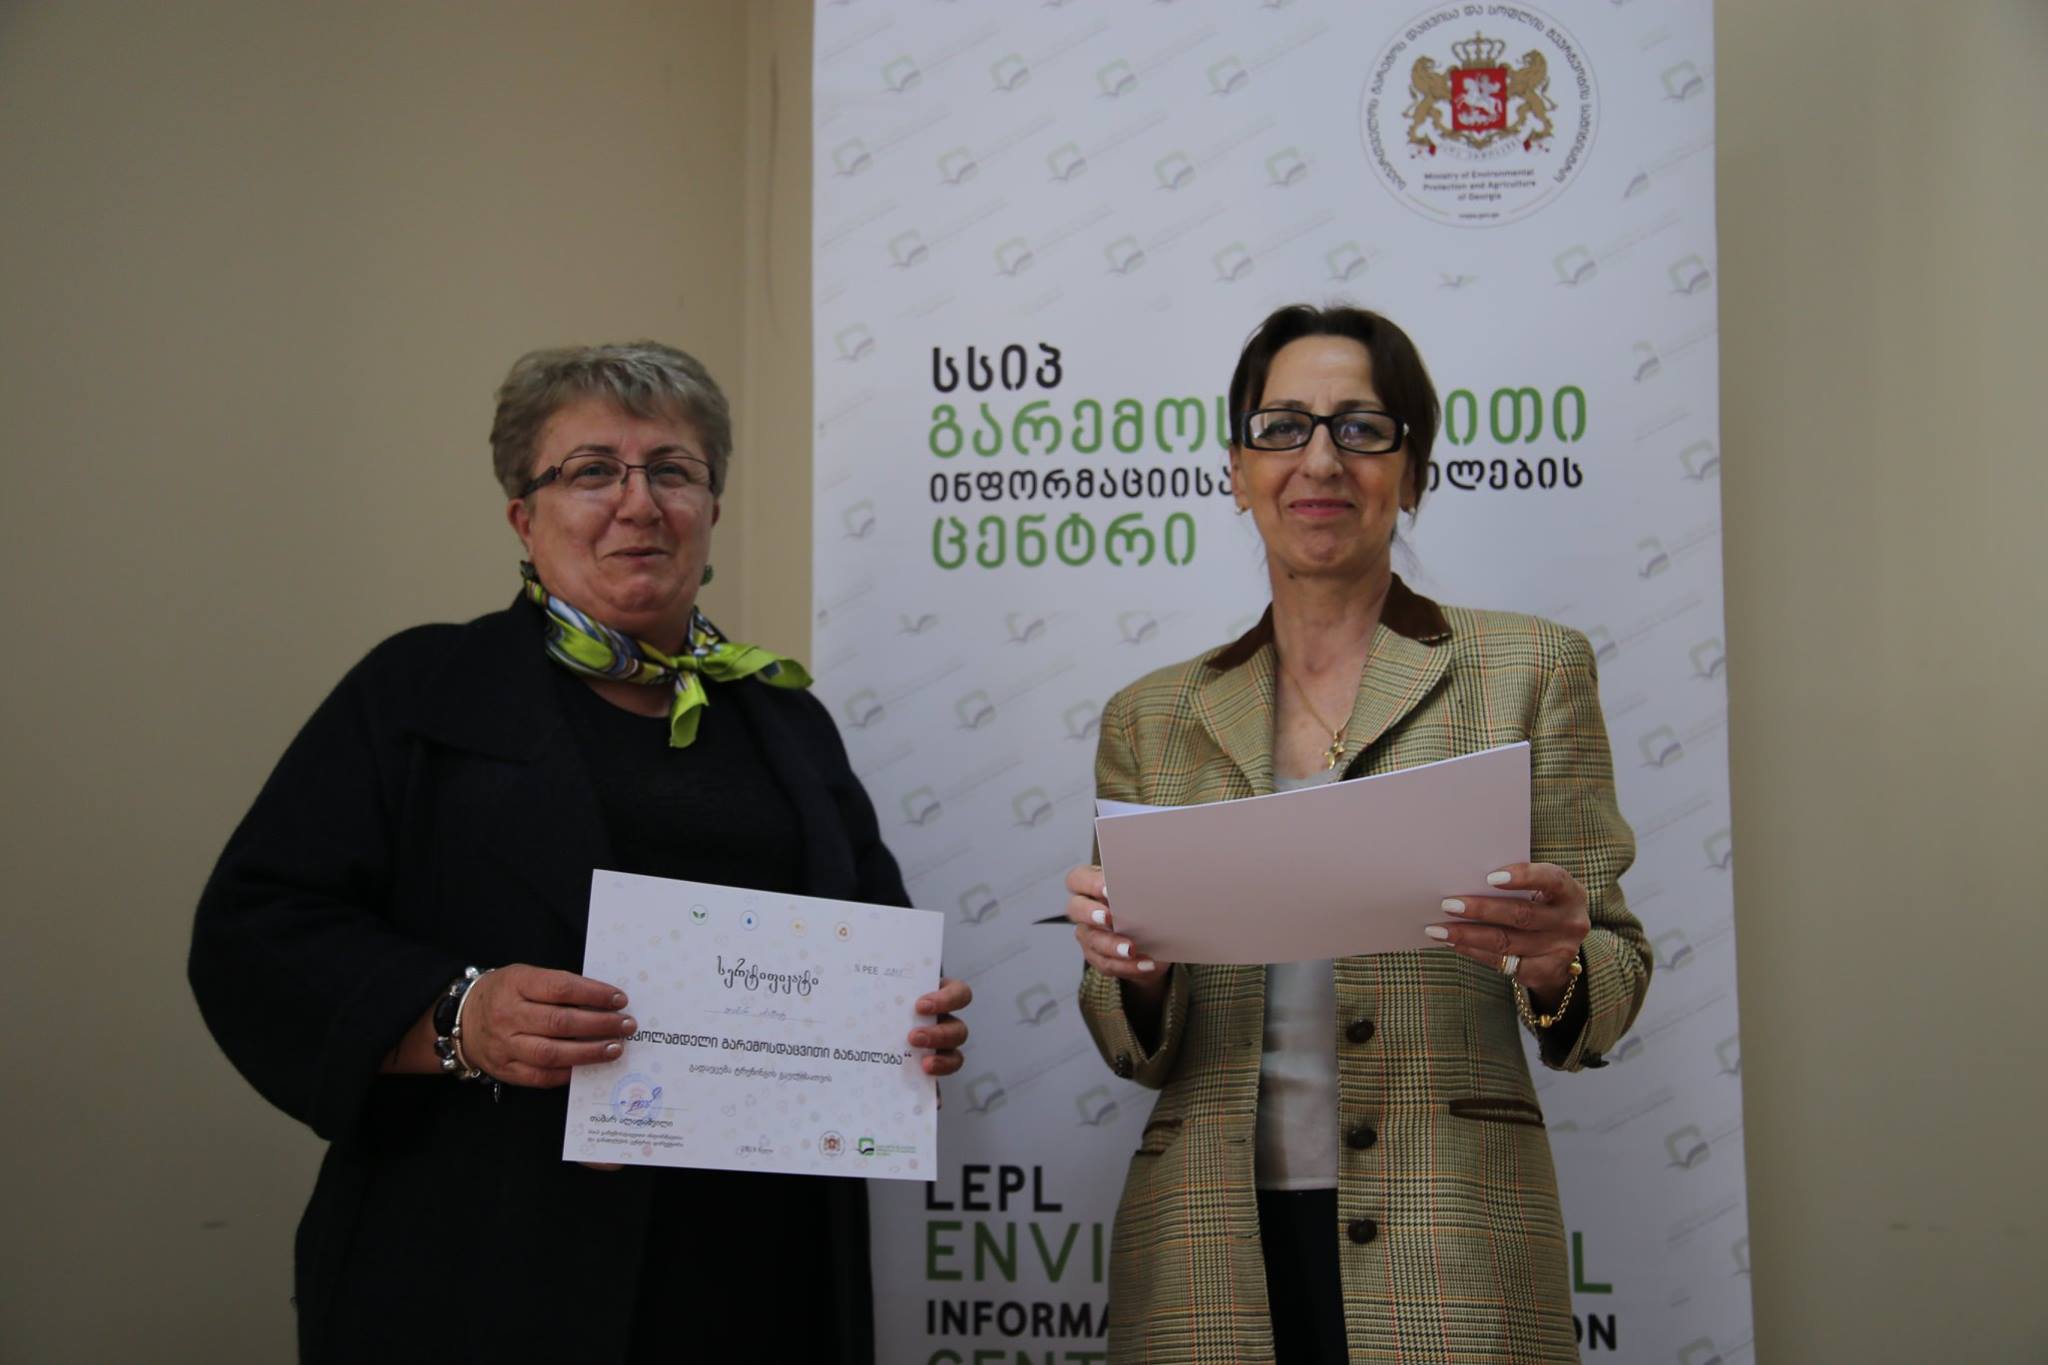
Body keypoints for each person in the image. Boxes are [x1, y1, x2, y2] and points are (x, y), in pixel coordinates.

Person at [189, 341, 971, 1364]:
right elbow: (256, 929)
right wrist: (458, 1016)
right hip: (483, 1259)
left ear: (712, 507)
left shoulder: (786, 720)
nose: (639, 503)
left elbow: (872, 935)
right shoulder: (420, 691)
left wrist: (906, 1024)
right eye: (592, 470)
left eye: (673, 470)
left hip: (760, 1268)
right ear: (525, 516)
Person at [1064, 304, 1649, 1363]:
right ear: (1237, 471)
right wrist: (1132, 973)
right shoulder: (1149, 716)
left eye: (1362, 428)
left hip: (1452, 1238)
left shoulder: (1530, 671)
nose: (1321, 459)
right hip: (1205, 1249)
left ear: (1411, 472)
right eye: (1282, 427)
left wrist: (1557, 962)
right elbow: (1124, 1038)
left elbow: (1610, 978)